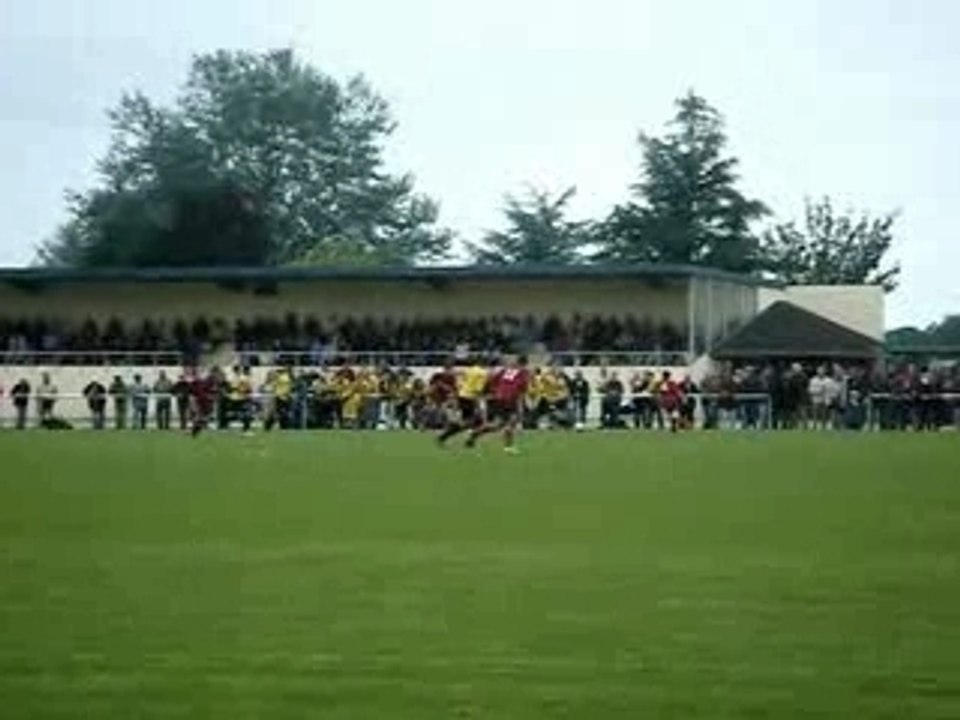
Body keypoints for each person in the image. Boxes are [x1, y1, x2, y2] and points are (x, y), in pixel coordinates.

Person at [466, 355, 529, 453]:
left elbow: (491, 380)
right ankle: (508, 447)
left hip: (499, 398)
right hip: (509, 399)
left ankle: (475, 434)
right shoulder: (523, 374)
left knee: (497, 425)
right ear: (525, 364)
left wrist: (493, 392)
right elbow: (521, 391)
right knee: (512, 420)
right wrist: (520, 407)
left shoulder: (505, 370)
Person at [438, 359, 487, 445]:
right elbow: (478, 389)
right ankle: (448, 434)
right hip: (470, 397)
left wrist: (449, 368)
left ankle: (468, 439)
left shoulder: (470, 370)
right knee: (473, 421)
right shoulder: (482, 373)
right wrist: (478, 402)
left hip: (462, 396)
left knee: (472, 420)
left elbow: (455, 373)